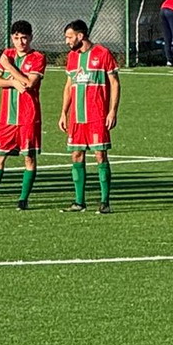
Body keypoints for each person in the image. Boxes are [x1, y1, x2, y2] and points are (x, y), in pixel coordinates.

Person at [0, 20, 45, 210]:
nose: (20, 42)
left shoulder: (38, 57)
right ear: (12, 38)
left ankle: (23, 200)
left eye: (24, 38)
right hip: (7, 118)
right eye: (16, 38)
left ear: (31, 37)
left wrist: (10, 69)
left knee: (29, 158)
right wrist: (13, 82)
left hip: (28, 117)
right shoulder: (7, 54)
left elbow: (29, 84)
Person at [59, 19, 121, 213]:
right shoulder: (72, 57)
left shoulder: (102, 53)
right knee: (76, 155)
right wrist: (63, 112)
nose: (67, 41)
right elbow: (69, 86)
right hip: (77, 118)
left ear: (80, 35)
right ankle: (79, 202)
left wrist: (112, 111)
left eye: (69, 37)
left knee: (100, 155)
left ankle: (105, 202)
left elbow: (115, 83)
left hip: (97, 116)